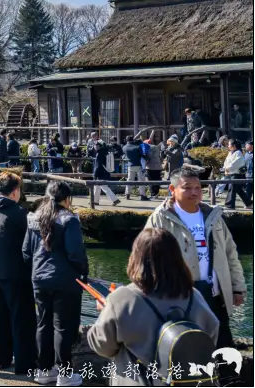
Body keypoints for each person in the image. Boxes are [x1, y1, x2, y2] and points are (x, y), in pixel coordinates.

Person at [86, 227, 219, 387]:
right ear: (177, 258)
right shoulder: (193, 296)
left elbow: (102, 346)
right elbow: (211, 333)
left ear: (137, 258)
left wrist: (105, 311)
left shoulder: (122, 298)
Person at [144, 166, 246, 355]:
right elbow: (147, 259)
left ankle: (226, 382)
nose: (194, 192)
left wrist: (237, 287)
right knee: (186, 348)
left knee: (223, 345)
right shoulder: (160, 219)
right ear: (172, 190)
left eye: (198, 187)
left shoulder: (213, 216)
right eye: (187, 187)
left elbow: (231, 254)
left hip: (215, 294)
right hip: (178, 297)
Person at [23, 181, 88, 387]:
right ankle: (65, 373)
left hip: (39, 278)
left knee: (43, 324)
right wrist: (83, 272)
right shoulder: (69, 220)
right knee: (63, 327)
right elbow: (75, 253)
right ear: (67, 199)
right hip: (65, 280)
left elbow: (26, 251)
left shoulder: (34, 218)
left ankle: (44, 369)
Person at [0, 172, 36, 376]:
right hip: (17, 273)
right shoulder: (20, 215)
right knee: (21, 318)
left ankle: (0, 358)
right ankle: (25, 364)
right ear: (15, 192)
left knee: (0, 316)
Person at [90, 135, 121, 206]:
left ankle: (115, 199)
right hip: (105, 172)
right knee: (97, 187)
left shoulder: (99, 154)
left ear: (99, 146)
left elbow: (97, 165)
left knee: (104, 187)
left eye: (96, 145)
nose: (95, 146)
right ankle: (95, 201)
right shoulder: (105, 151)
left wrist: (94, 174)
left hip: (100, 173)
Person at [223, 139, 253, 209]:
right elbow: (226, 162)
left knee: (232, 188)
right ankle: (249, 203)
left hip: (236, 174)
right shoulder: (230, 153)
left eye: (229, 144)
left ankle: (229, 205)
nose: (228, 145)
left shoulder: (238, 153)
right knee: (238, 190)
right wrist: (225, 168)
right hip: (231, 173)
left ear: (234, 146)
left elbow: (235, 164)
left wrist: (227, 168)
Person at [122, 136, 146, 201]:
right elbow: (143, 154)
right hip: (139, 165)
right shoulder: (137, 147)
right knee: (141, 180)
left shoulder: (124, 147)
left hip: (130, 165)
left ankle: (127, 194)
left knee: (129, 180)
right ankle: (142, 195)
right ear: (133, 140)